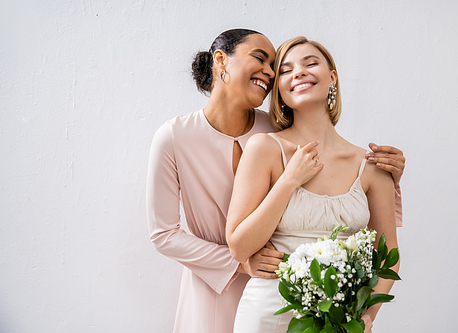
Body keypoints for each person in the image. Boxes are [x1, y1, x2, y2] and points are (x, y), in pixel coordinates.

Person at [147, 30, 404, 333]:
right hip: (219, 283)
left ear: (332, 76)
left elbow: (376, 236)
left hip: (305, 300)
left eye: (274, 67)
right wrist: (240, 263)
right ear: (221, 61)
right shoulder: (178, 136)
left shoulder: (276, 129)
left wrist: (390, 178)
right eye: (266, 62)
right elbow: (164, 234)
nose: (270, 73)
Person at [227, 36, 400, 333]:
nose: (299, 72)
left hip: (340, 320)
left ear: (332, 76)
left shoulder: (370, 166)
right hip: (267, 314)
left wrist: (364, 315)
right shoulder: (264, 149)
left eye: (311, 63)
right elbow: (239, 246)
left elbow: (388, 257)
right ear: (279, 89)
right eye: (286, 70)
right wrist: (289, 181)